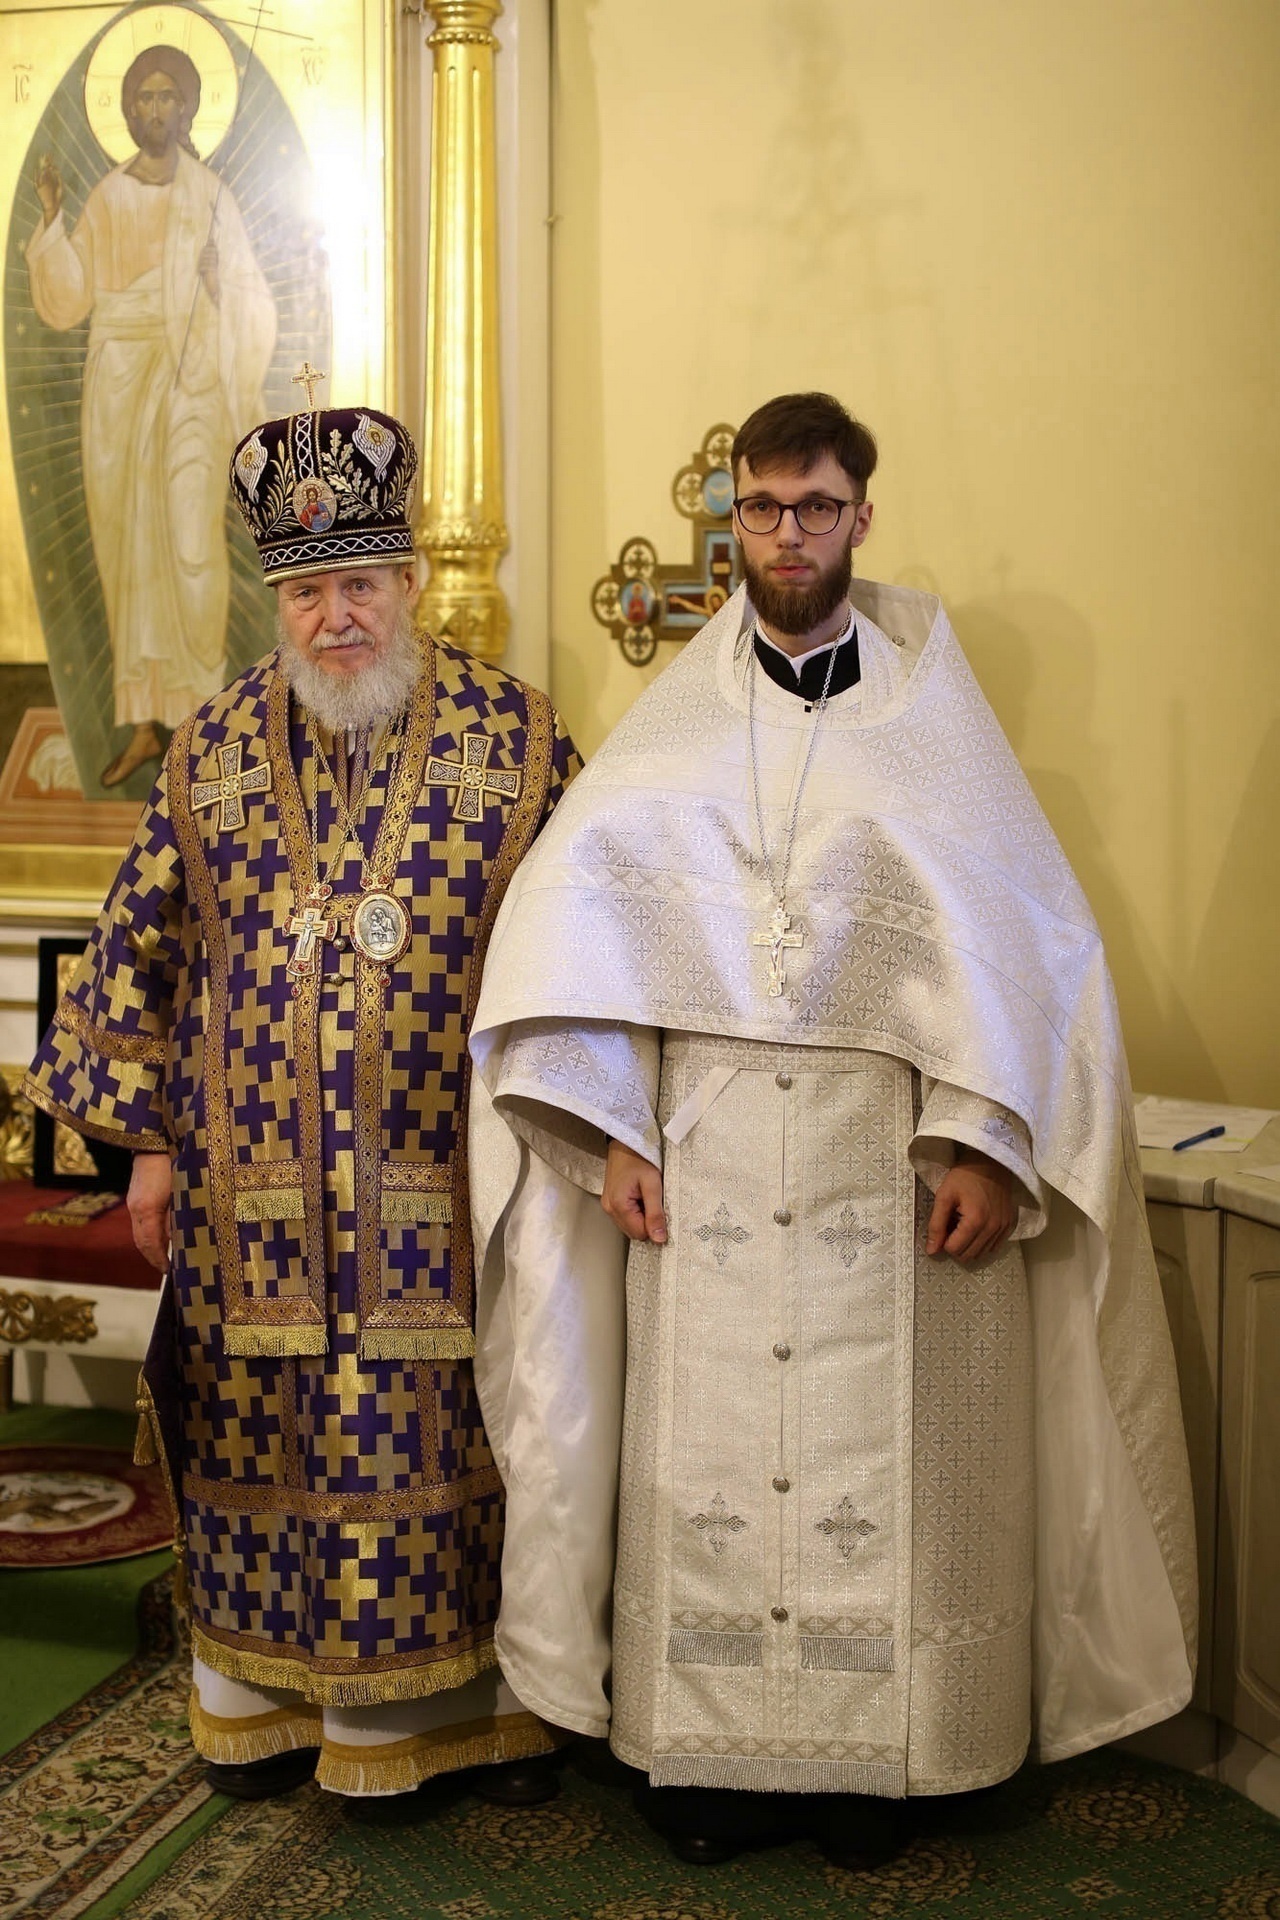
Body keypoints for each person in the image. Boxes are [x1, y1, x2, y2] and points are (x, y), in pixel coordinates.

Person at [467, 392, 1198, 1867]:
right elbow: (581, 934)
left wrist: (985, 1140)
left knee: (885, 1475)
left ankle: (886, 1768)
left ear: (862, 514)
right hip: (710, 1165)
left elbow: (1022, 960)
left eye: (813, 506)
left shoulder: (936, 728)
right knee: (711, 1469)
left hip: (889, 1166)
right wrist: (613, 1131)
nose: (786, 534)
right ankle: (710, 1768)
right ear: (731, 522)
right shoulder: (672, 727)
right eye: (761, 507)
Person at [26, 402, 579, 1804]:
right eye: (308, 592)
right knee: (254, 1437)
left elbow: (590, 949)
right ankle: (259, 1698)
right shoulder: (209, 747)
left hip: (440, 1190)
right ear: (277, 600)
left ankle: (454, 1708)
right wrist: (147, 1153)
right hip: (246, 1197)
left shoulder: (516, 742)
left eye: (362, 585)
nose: (337, 618)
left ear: (411, 582)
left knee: (445, 1440)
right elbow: (137, 946)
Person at [26, 44, 276, 788]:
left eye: (169, 96)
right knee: (130, 558)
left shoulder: (210, 196)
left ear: (189, 109)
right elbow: (69, 296)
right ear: (129, 110)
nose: (157, 109)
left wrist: (219, 286)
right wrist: (51, 223)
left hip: (193, 381)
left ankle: (200, 720)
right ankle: (144, 725)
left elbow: (253, 303)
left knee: (194, 549)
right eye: (145, 97)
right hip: (119, 389)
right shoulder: (108, 195)